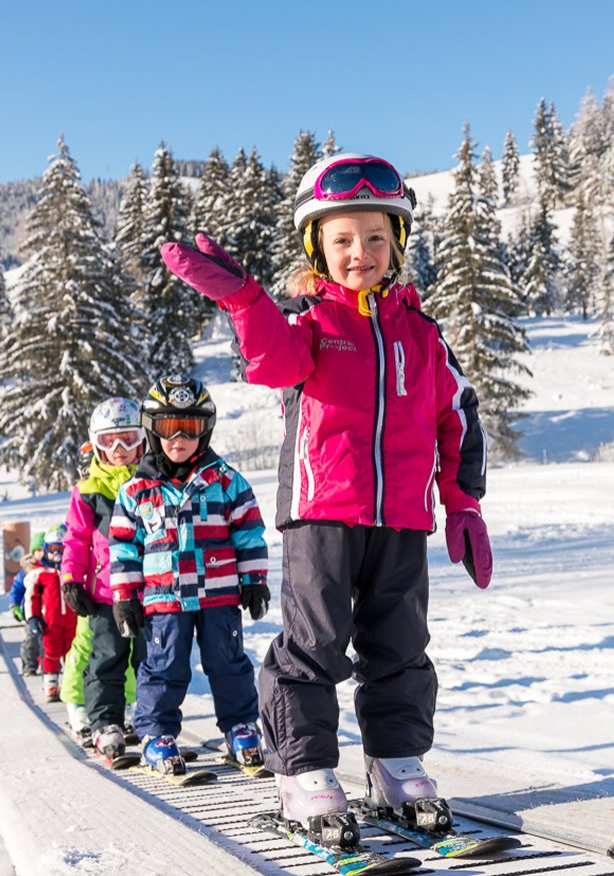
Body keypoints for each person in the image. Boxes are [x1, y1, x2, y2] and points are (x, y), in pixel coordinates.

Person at [159, 152, 493, 832]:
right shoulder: (308, 323)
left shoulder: (422, 334)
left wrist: (461, 500)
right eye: (342, 239)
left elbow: (456, 414)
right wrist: (246, 301)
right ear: (318, 248)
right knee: (315, 643)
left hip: (402, 518)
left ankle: (396, 761)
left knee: (401, 644)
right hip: (321, 512)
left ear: (396, 244)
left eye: (375, 237)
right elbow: (271, 362)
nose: (359, 252)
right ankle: (304, 769)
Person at [109, 375, 270, 776]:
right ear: (153, 430)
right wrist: (125, 597)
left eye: (190, 427)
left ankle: (241, 727)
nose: (179, 438)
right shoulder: (136, 491)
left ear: (206, 430)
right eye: (169, 427)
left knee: (228, 662)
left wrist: (253, 580)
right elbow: (124, 549)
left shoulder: (226, 482)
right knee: (164, 666)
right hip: (164, 598)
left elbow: (249, 533)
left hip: (219, 593)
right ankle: (156, 734)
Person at [60, 398, 147, 760]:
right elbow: (76, 539)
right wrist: (71, 579)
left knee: (151, 660)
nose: (119, 449)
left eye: (128, 439)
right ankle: (105, 723)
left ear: (142, 440)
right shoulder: (88, 491)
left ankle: (150, 720)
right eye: (110, 441)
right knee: (107, 658)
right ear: (96, 445)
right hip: (106, 594)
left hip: (151, 591)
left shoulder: (154, 482)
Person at [24, 527, 76, 702]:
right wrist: (33, 617)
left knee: (71, 652)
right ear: (46, 550)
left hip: (72, 620)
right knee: (50, 651)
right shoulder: (40, 574)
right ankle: (50, 684)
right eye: (53, 549)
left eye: (60, 549)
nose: (57, 554)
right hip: (50, 622)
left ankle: (70, 685)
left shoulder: (71, 570)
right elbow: (31, 597)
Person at [9, 530, 46, 676]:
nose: (41, 554)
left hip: (49, 612)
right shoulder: (27, 570)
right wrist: (15, 605)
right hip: (31, 612)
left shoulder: (52, 569)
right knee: (32, 639)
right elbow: (17, 589)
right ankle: (29, 665)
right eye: (38, 551)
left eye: (43, 550)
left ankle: (47, 664)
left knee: (47, 640)